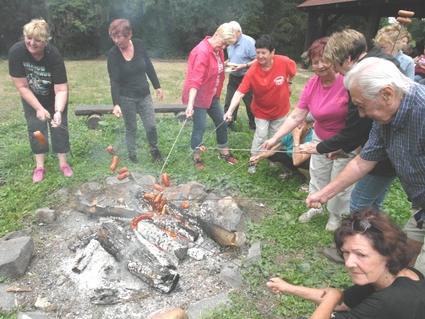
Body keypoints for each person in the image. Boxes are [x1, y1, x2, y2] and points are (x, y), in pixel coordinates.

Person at [306, 57, 425, 275]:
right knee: (404, 260)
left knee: (418, 276)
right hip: (421, 206)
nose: (361, 114)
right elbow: (362, 162)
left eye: (361, 106)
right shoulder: (386, 118)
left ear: (387, 94)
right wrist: (324, 194)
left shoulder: (422, 112)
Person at [262, 37, 352, 231]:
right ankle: (316, 207)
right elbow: (297, 115)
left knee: (339, 179)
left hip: (345, 141)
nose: (319, 66)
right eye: (315, 61)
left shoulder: (348, 83)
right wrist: (275, 138)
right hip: (320, 138)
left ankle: (336, 215)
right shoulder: (312, 83)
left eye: (323, 60)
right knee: (317, 174)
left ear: (335, 59)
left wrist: (345, 144)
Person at [267, 209, 425, 319]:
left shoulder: (388, 301)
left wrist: (330, 300)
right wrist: (288, 288)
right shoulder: (391, 275)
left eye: (361, 254)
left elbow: (333, 300)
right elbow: (342, 303)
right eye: (346, 252)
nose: (349, 263)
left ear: (388, 254)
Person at [8, 18, 73, 183]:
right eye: (28, 38)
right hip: (31, 97)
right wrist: (38, 108)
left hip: (54, 98)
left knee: (59, 128)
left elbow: (61, 89)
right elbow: (22, 86)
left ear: (46, 41)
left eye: (37, 40)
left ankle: (63, 163)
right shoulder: (17, 52)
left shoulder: (53, 55)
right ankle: (40, 166)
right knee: (37, 130)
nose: (32, 43)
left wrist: (57, 111)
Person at [224, 34, 296, 174]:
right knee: (261, 135)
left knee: (276, 137)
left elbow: (292, 72)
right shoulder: (252, 71)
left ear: (272, 52)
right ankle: (253, 160)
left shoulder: (284, 62)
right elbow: (239, 92)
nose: (260, 56)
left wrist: (290, 83)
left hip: (281, 110)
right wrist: (229, 111)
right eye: (258, 53)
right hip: (261, 111)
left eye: (264, 53)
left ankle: (273, 160)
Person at [182, 23, 238, 170]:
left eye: (227, 45)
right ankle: (196, 157)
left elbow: (214, 68)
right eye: (224, 43)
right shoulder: (202, 52)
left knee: (221, 122)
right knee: (199, 127)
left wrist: (226, 66)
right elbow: (195, 81)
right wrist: (190, 105)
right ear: (217, 35)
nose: (224, 47)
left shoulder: (217, 50)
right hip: (199, 97)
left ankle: (223, 152)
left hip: (212, 95)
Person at [107, 19, 163, 163]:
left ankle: (154, 151)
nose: (116, 41)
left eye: (120, 37)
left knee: (151, 125)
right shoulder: (113, 55)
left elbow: (148, 66)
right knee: (131, 128)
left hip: (144, 95)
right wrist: (116, 104)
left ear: (129, 34)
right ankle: (132, 156)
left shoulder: (139, 45)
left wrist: (157, 86)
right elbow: (114, 81)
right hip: (126, 98)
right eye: (114, 37)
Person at [223, 21, 256, 131]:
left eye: (232, 33)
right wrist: (226, 63)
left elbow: (258, 60)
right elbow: (232, 58)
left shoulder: (249, 42)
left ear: (238, 32)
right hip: (233, 77)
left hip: (247, 78)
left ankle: (254, 127)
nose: (230, 36)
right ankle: (228, 127)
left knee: (250, 105)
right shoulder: (230, 43)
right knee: (229, 102)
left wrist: (244, 65)